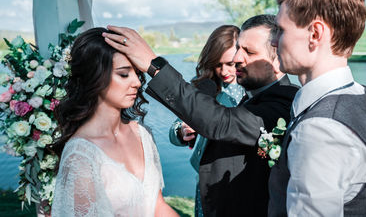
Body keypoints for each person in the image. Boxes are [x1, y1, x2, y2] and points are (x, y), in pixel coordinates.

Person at [103, 14, 299, 216]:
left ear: (278, 59)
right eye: (238, 48)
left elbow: (220, 121)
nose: (236, 58)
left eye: (248, 51)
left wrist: (154, 66)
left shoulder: (283, 102)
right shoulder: (237, 91)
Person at [268, 0, 366, 216]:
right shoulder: (362, 97)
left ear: (315, 34)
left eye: (280, 30)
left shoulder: (320, 130)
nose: (274, 42)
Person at [51, 28, 178, 217]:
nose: (137, 82)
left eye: (136, 72)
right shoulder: (81, 156)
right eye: (124, 74)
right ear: (95, 76)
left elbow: (157, 205)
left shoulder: (141, 134)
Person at [169, 25, 246, 216]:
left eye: (230, 63)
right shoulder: (203, 85)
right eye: (217, 64)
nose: (224, 71)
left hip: (241, 176)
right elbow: (175, 128)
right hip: (206, 177)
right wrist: (182, 132)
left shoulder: (251, 88)